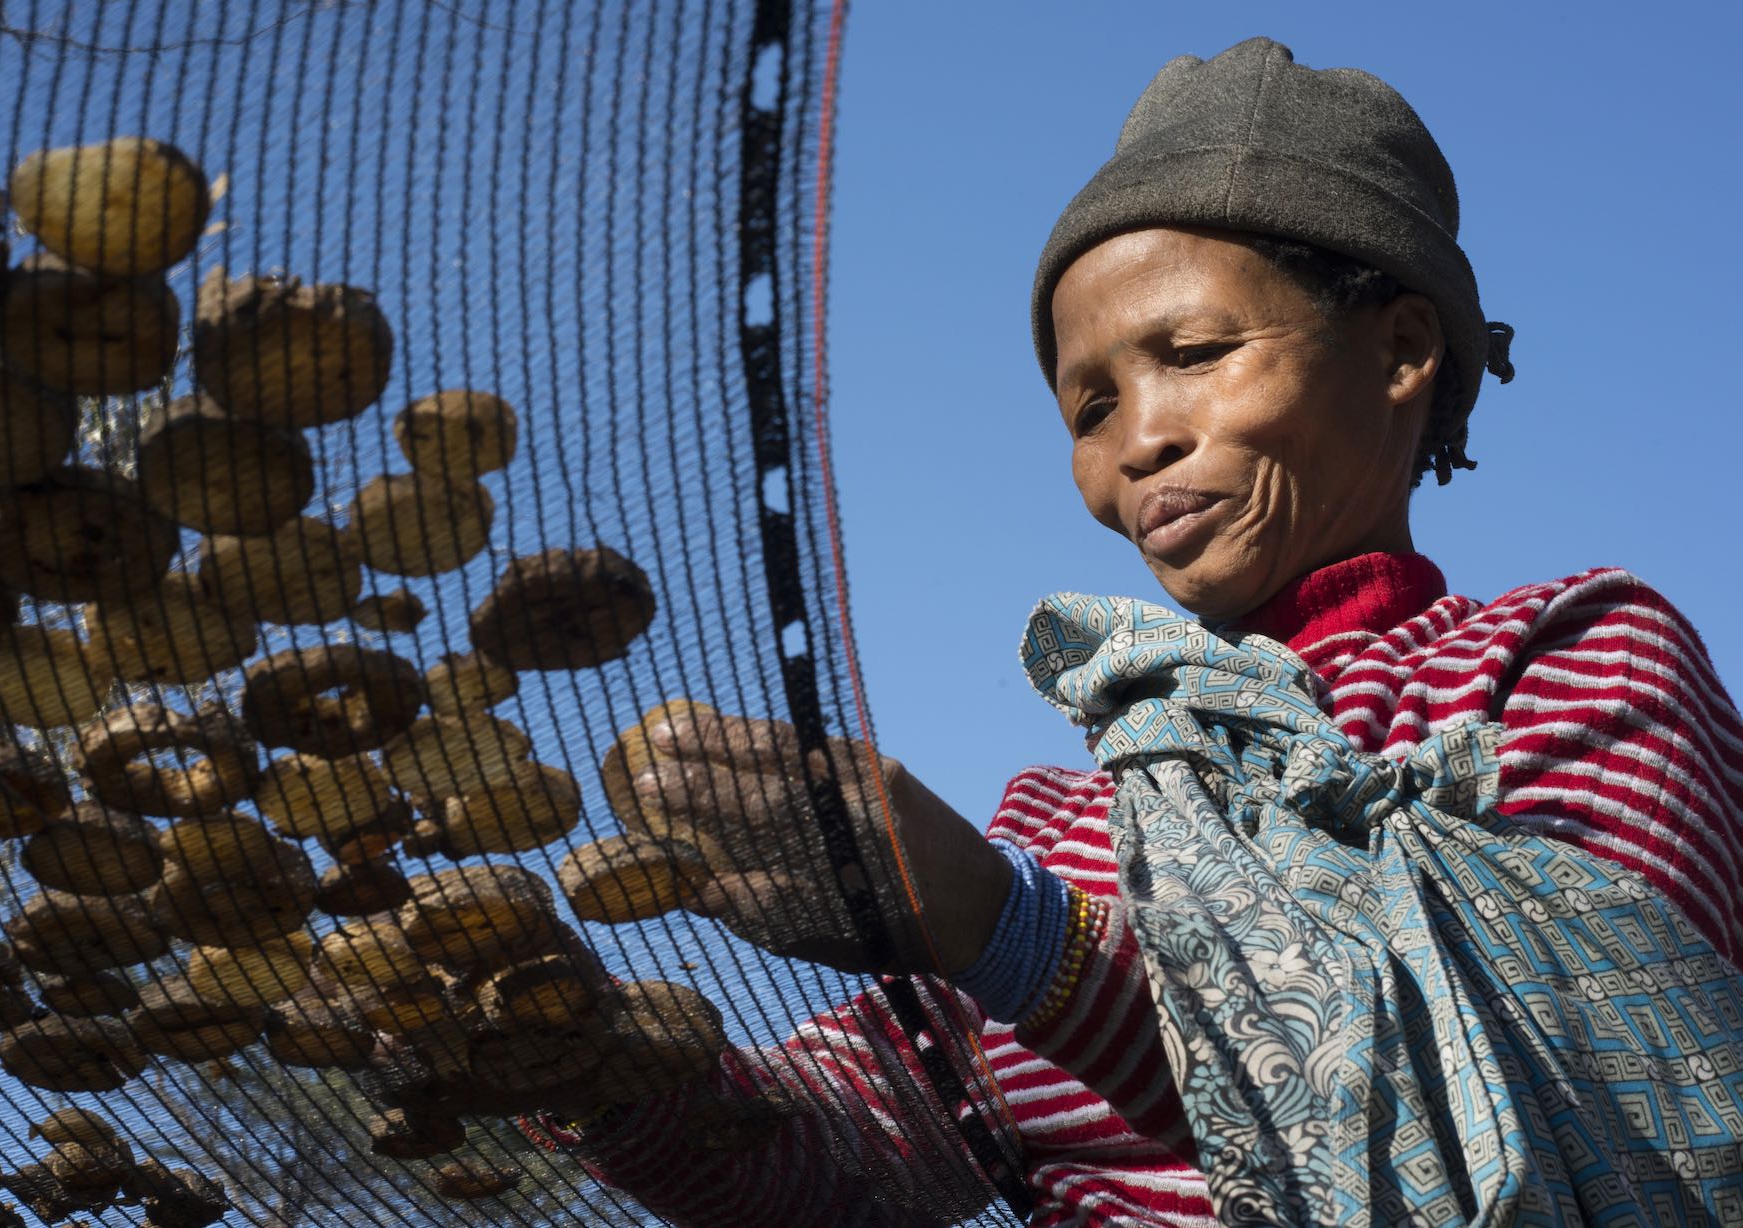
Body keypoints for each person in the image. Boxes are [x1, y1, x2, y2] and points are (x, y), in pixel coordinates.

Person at [533, 37, 1743, 1225]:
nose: (1138, 441)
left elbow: (1573, 1108)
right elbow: (835, 1167)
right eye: (1089, 404)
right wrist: (576, 1054)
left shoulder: (1567, 655)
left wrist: (1009, 935)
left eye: (1198, 354)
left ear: (1401, 349)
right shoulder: (1064, 821)